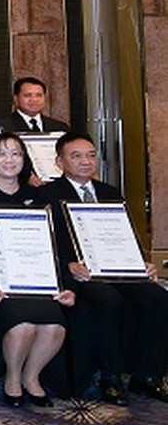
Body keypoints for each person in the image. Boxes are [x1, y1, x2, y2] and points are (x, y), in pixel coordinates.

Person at [37, 132, 168, 404]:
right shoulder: (47, 195)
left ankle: (147, 375)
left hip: (116, 268)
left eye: (91, 155)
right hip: (77, 274)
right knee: (109, 300)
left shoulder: (110, 193)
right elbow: (43, 242)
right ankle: (111, 376)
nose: (85, 161)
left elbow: (125, 234)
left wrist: (141, 262)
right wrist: (68, 265)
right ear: (59, 162)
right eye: (76, 156)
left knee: (157, 297)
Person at [0, 133, 75, 407]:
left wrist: (67, 285)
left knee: (54, 329)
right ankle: (12, 378)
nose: (9, 160)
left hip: (38, 281)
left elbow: (57, 247)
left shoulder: (40, 197)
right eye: (1, 153)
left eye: (16, 153)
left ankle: (31, 377)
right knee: (23, 327)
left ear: (24, 160)